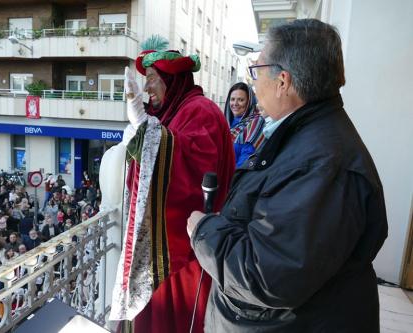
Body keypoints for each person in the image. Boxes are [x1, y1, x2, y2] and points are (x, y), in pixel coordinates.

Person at [186, 19, 388, 333]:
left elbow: (267, 276)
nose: (252, 83)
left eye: (256, 70)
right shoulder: (305, 137)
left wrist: (204, 231)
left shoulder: (323, 165)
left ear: (283, 81)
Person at [108, 36, 235, 333]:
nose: (147, 88)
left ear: (172, 79)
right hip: (178, 252)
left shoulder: (199, 110)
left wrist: (146, 128)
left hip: (184, 256)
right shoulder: (178, 111)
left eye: (152, 79)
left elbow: (189, 174)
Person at [224, 82, 265, 167]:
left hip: (234, 177)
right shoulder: (226, 123)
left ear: (249, 102)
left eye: (241, 100)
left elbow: (246, 160)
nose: (235, 103)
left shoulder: (256, 122)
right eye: (232, 99)